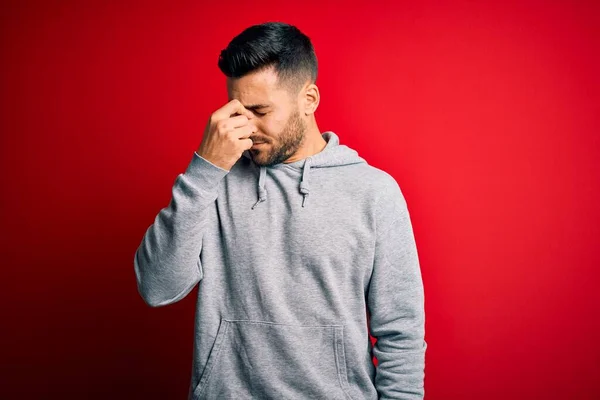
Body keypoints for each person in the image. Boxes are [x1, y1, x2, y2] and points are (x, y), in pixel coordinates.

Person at [133, 21, 427, 400]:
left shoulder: (374, 193)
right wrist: (204, 170)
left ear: (309, 100)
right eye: (238, 111)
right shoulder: (211, 181)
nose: (246, 127)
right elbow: (157, 288)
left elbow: (400, 333)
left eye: (260, 110)